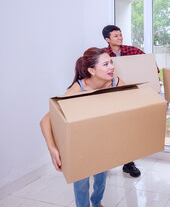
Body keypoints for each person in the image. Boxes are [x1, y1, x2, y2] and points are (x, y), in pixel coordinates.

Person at [40, 47, 125, 207]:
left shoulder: (116, 82)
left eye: (111, 62)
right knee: (81, 182)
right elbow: (46, 119)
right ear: (91, 70)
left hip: (102, 139)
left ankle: (97, 202)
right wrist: (52, 149)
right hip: (80, 142)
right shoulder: (79, 88)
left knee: (101, 178)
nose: (112, 67)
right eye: (106, 64)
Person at [102, 24, 144, 178]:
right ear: (107, 39)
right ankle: (103, 164)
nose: (120, 38)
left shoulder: (132, 50)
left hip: (128, 96)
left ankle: (128, 163)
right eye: (115, 36)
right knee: (108, 130)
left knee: (128, 130)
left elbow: (150, 65)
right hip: (109, 97)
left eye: (120, 35)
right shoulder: (102, 55)